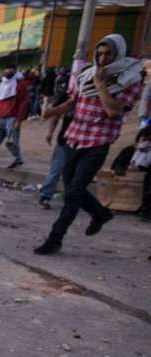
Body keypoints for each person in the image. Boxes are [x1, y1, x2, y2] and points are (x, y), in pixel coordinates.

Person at [34, 34, 143, 255]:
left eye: (108, 54)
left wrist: (101, 85)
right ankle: (100, 213)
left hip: (98, 141)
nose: (102, 59)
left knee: (73, 193)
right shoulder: (86, 75)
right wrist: (54, 111)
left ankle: (55, 239)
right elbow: (73, 101)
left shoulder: (129, 79)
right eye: (99, 53)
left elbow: (113, 111)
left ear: (118, 54)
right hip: (74, 137)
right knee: (72, 189)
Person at [38, 75, 74, 209]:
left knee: (74, 174)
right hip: (65, 141)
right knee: (55, 170)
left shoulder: (95, 97)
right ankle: (45, 196)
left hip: (84, 144)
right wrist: (50, 132)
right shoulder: (67, 96)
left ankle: (71, 199)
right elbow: (56, 115)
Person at [0, 66, 28, 170]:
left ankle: (18, 159)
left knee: (13, 143)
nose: (7, 71)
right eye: (6, 69)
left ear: (15, 71)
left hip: (11, 119)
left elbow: (23, 103)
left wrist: (19, 120)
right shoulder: (1, 84)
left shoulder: (20, 84)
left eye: (10, 70)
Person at [110, 126, 151, 220]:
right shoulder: (129, 150)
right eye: (144, 139)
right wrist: (120, 168)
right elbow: (117, 164)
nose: (147, 143)